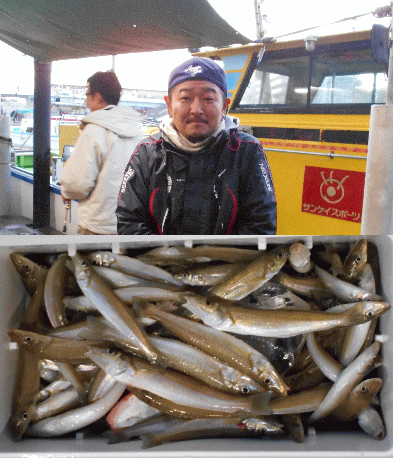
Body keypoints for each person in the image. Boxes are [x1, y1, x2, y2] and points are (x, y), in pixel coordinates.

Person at [116, 57, 277, 235]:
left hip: (230, 263)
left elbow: (261, 225)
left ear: (224, 106)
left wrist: (214, 261)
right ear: (169, 105)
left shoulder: (247, 151)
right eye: (185, 98)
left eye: (208, 98)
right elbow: (129, 223)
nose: (196, 109)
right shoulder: (146, 153)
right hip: (159, 263)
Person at [60, 70, 145, 235]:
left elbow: (77, 184)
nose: (86, 101)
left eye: (87, 94)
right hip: (130, 228)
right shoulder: (138, 132)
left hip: (97, 227)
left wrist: (66, 191)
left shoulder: (94, 130)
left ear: (97, 96)